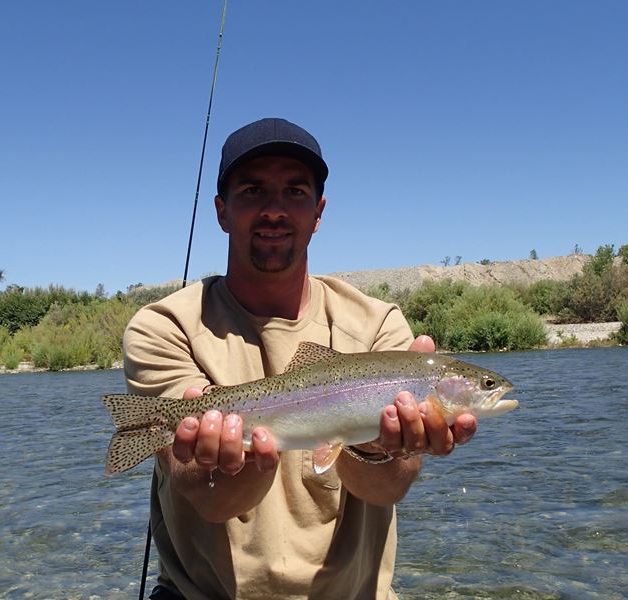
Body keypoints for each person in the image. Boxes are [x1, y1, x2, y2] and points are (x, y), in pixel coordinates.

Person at [123, 118, 478, 600]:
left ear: (318, 211)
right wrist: (245, 461)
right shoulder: (165, 327)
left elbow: (387, 490)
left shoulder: (378, 327)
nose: (274, 209)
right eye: (252, 190)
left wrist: (376, 448)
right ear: (222, 211)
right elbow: (205, 496)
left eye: (295, 191)